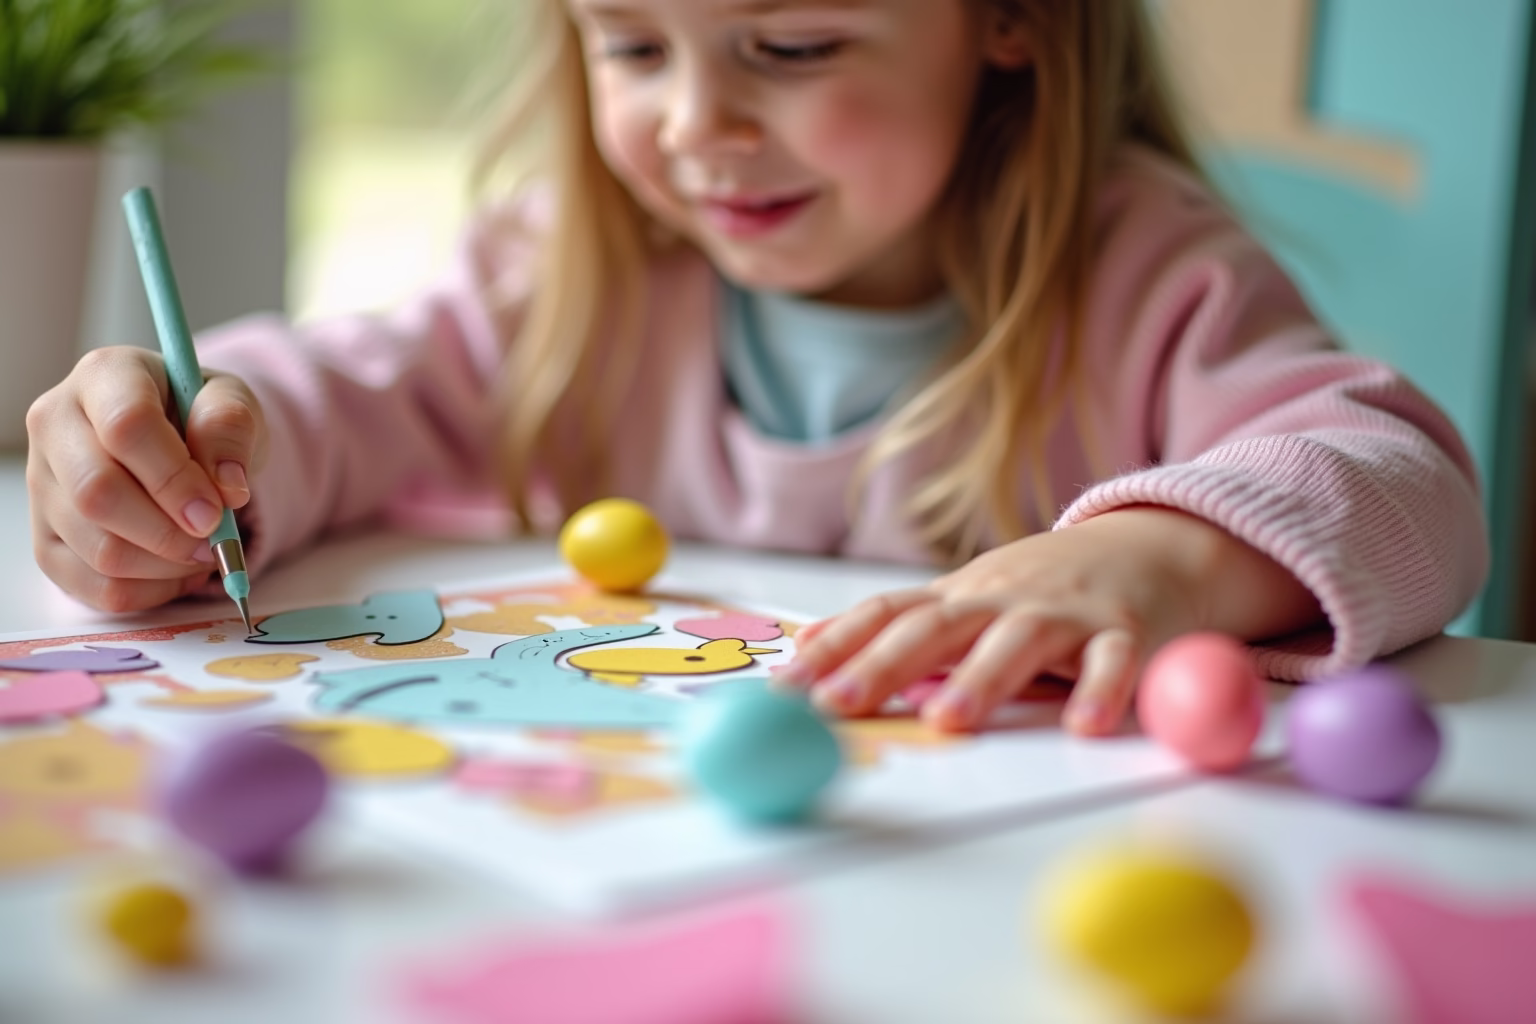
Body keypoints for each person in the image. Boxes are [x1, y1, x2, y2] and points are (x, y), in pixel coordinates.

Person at [25, 0, 1488, 738]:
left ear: (1010, 18)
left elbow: (1407, 479)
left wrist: (1161, 564)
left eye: (787, 44)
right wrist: (180, 454)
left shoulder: (1147, 276)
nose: (696, 126)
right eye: (635, 44)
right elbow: (345, 389)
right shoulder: (569, 267)